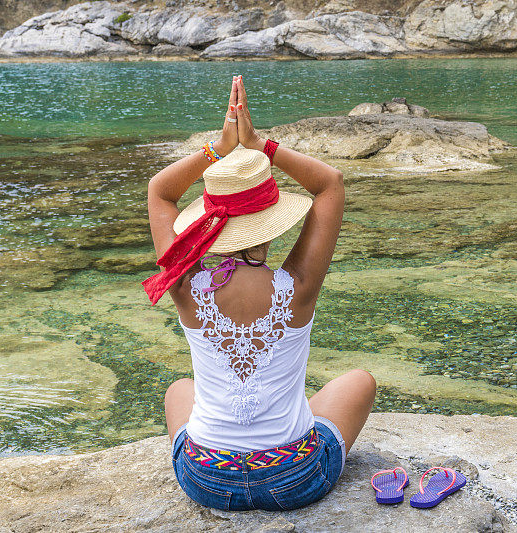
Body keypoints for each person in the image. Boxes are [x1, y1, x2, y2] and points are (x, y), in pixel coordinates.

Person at [144, 75, 376, 511]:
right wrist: (260, 145)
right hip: (295, 478)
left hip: (206, 480)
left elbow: (160, 193)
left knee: (179, 389)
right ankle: (280, 431)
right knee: (360, 381)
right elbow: (331, 184)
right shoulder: (298, 288)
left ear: (209, 225)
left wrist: (220, 147)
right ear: (273, 223)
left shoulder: (186, 286)